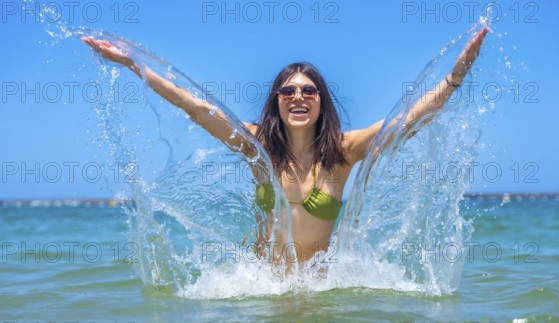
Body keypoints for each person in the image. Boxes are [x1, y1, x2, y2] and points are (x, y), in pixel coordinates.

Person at [82, 27, 488, 263]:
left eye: (309, 90)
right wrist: (136, 67)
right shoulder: (258, 147)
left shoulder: (343, 152)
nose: (298, 97)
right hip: (261, 283)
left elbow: (405, 121)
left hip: (318, 287)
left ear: (321, 100)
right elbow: (200, 109)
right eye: (288, 90)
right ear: (276, 100)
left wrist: (454, 78)